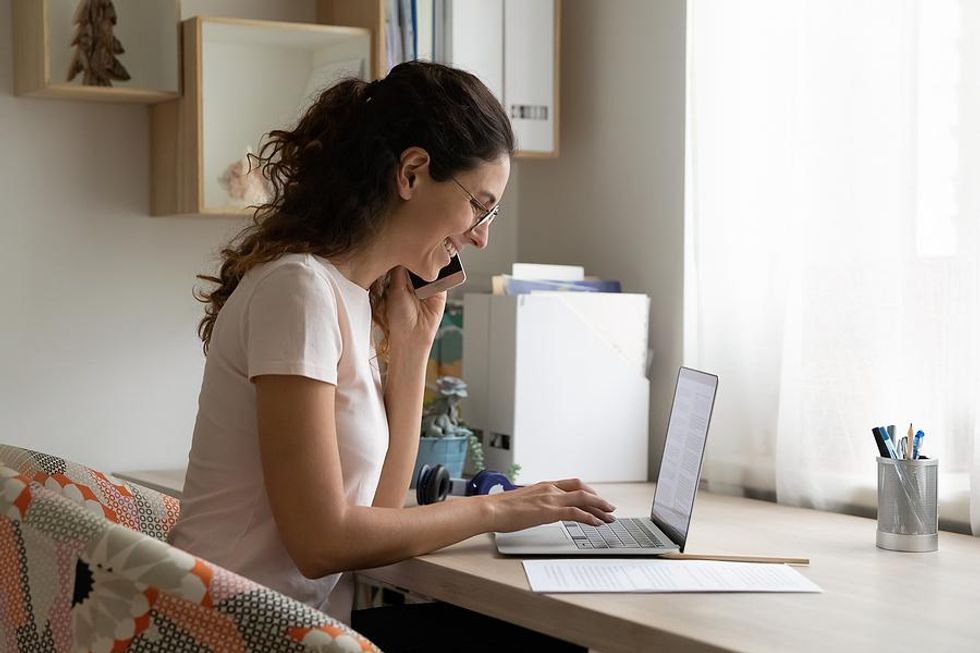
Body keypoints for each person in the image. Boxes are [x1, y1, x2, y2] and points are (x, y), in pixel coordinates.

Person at [168, 61, 614, 651]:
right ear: (412, 172)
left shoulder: (346, 297)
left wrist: (413, 351)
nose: (481, 235)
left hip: (291, 626)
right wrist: (501, 511)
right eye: (480, 205)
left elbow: (379, 514)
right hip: (231, 633)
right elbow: (322, 541)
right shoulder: (298, 290)